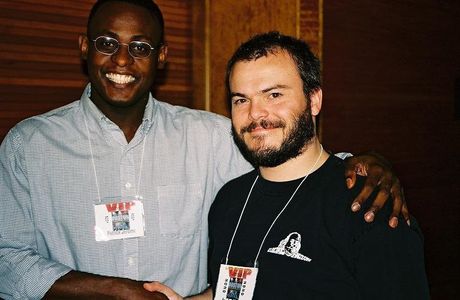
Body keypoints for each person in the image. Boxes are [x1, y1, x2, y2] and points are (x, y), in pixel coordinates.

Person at [0, 1, 408, 299]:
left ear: (161, 57)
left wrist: (358, 167)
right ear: (85, 47)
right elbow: (6, 260)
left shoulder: (211, 136)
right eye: (107, 42)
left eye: (140, 47)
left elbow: (285, 159)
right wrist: (110, 291)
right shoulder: (27, 146)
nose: (122, 60)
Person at [145, 32, 429, 299]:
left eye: (274, 94)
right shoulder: (229, 200)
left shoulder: (368, 206)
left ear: (314, 100)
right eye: (241, 99)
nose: (255, 113)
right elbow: (237, 289)